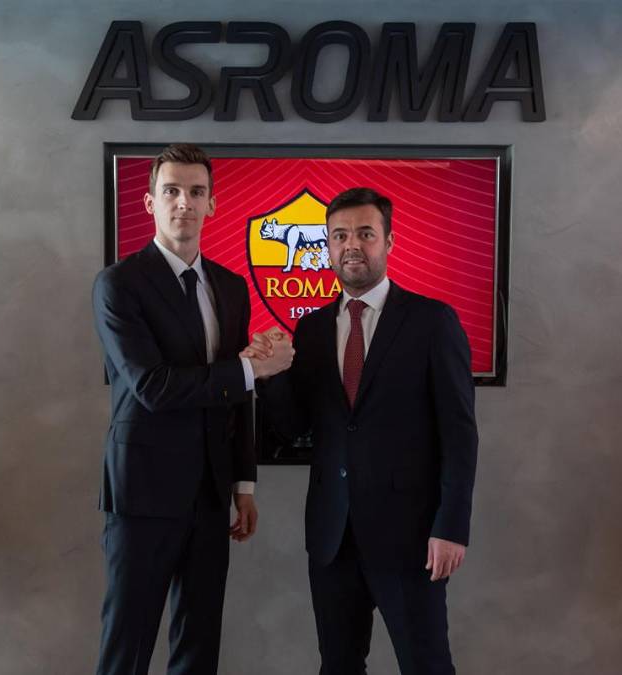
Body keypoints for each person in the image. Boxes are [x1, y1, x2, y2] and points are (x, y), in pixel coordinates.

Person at [249, 187, 478, 675]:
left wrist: (451, 526)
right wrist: (269, 377)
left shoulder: (432, 322)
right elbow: (295, 427)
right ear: (329, 247)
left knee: (427, 666)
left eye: (365, 234)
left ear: (389, 242)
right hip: (333, 537)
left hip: (411, 538)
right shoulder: (311, 330)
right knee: (338, 666)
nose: (351, 244)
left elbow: (460, 436)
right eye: (340, 236)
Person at [92, 143, 293, 675]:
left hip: (210, 493)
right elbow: (152, 387)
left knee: (198, 647)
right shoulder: (118, 285)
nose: (184, 202)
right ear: (149, 202)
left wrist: (243, 484)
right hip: (142, 494)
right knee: (127, 647)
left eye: (196, 192)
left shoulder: (230, 286)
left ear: (212, 204)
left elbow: (238, 393)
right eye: (172, 191)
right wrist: (253, 369)